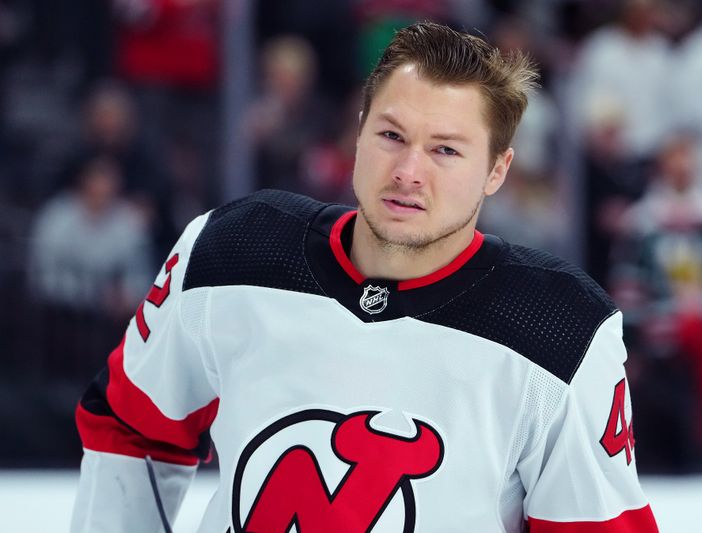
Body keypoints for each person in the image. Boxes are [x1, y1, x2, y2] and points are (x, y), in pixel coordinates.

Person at [71, 22, 659, 532]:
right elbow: (130, 425)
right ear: (358, 129)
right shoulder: (229, 249)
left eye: (446, 151)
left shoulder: (562, 328)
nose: (408, 171)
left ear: (497, 169)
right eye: (391, 136)